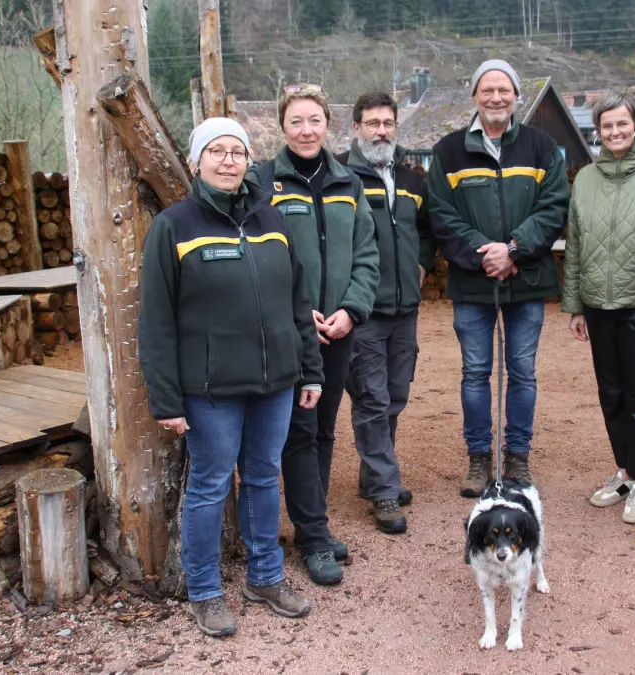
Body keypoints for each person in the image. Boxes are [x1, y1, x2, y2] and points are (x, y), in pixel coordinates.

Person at [138, 118, 324, 636]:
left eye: (237, 151)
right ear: (196, 162)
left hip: (276, 384)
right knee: (210, 485)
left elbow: (298, 301)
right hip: (210, 389)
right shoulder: (174, 227)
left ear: (248, 161)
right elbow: (155, 322)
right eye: (215, 151)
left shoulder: (273, 219)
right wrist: (166, 399)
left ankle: (265, 577)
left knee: (264, 476)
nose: (227, 160)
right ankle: (204, 591)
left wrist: (309, 370)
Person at [248, 84, 380, 586]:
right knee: (300, 433)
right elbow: (259, 258)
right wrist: (301, 316)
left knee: (324, 429)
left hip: (340, 329)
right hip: (292, 332)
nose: (306, 130)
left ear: (329, 125)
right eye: (296, 121)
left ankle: (312, 524)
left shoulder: (348, 182)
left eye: (315, 120)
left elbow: (368, 255)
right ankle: (313, 537)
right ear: (282, 128)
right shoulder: (264, 183)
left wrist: (351, 309)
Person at [426, 59, 569, 497]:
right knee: (474, 373)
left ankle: (518, 459)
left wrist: (513, 250)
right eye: (487, 90)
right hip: (473, 284)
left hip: (526, 281)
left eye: (504, 90)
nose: (495, 98)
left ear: (516, 96)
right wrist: (484, 254)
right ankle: (478, 460)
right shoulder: (448, 151)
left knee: (522, 372)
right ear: (474, 95)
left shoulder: (542, 147)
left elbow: (554, 208)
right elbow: (441, 215)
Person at [561, 91, 635, 525]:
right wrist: (575, 304)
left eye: (622, 123)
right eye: (607, 126)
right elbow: (576, 242)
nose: (615, 131)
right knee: (612, 394)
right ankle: (624, 469)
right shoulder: (586, 177)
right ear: (597, 130)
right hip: (599, 303)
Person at [336, 91, 436, 534]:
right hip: (365, 309)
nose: (381, 131)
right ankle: (383, 489)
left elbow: (430, 229)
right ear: (356, 127)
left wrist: (424, 263)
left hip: (405, 309)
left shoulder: (413, 178)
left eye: (388, 123)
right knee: (372, 399)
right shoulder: (341, 176)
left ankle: (375, 475)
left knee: (395, 395)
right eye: (372, 123)